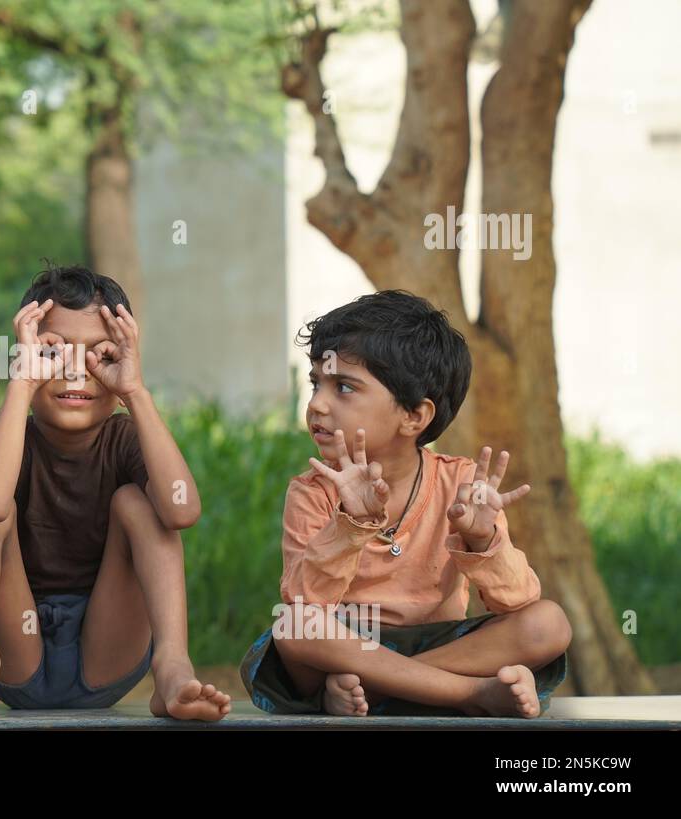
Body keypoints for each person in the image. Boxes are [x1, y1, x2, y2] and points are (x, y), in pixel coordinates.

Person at [240, 290, 571, 718]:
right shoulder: (313, 490)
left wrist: (482, 538)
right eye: (316, 383)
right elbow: (307, 603)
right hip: (345, 645)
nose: (318, 404)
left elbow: (518, 600)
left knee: (549, 622)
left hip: (435, 644)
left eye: (343, 387)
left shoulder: (461, 484)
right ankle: (469, 694)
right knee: (294, 625)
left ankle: (382, 690)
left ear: (414, 416)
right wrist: (350, 525)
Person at [0, 264, 232, 721]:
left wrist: (135, 392)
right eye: (53, 351)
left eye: (99, 354)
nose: (76, 370)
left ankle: (172, 666)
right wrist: (23, 384)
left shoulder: (125, 437)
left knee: (138, 503)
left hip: (105, 651)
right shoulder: (0, 432)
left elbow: (182, 511)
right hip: (17, 652)